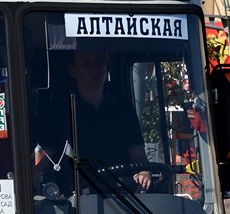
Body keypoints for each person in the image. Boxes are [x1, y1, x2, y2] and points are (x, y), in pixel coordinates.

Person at [33, 50, 151, 193]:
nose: (95, 69)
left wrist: (144, 174)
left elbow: (139, 158)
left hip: (123, 198)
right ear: (73, 71)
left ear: (107, 67)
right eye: (86, 63)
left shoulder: (124, 110)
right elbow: (39, 160)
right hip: (75, 203)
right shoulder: (57, 112)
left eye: (99, 62)